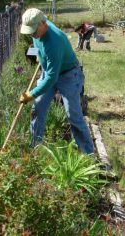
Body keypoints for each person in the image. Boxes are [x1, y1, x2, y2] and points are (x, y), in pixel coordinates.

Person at [19, 8, 94, 154]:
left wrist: (30, 94)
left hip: (68, 76)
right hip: (50, 71)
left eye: (34, 31)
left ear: (43, 23)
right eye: (30, 32)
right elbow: (39, 45)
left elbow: (51, 79)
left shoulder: (55, 41)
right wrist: (38, 56)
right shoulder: (36, 30)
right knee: (37, 109)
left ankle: (88, 155)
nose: (32, 34)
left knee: (73, 114)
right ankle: (35, 149)